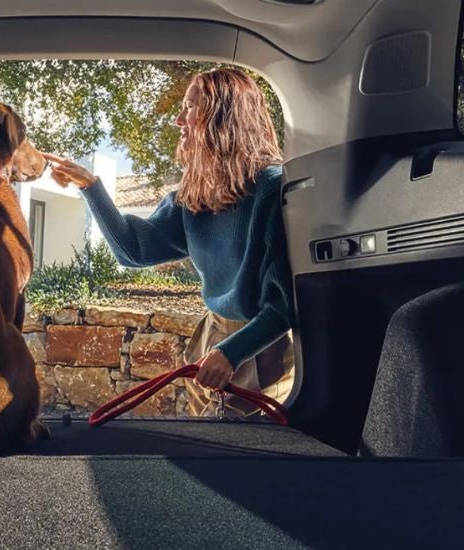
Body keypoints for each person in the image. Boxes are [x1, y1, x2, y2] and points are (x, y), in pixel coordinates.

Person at [42, 67, 297, 418]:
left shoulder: (270, 187)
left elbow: (286, 304)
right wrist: (90, 186)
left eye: (190, 107)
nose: (179, 120)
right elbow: (133, 250)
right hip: (209, 337)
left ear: (221, 116)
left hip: (258, 348)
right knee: (201, 446)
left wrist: (233, 351)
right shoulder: (194, 195)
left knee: (229, 459)